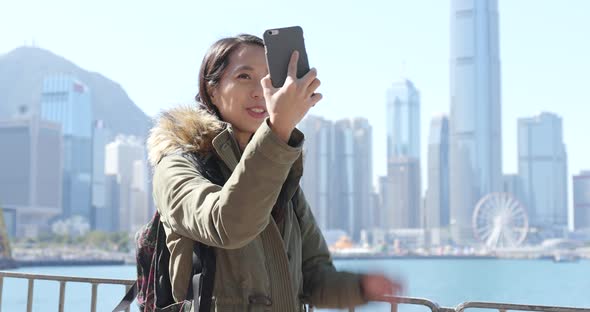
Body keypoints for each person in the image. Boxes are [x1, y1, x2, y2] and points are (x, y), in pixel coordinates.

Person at [147, 33, 402, 311]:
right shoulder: (177, 165)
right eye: (244, 76)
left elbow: (314, 276)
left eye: (271, 79)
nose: (261, 91)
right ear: (212, 90)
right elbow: (227, 224)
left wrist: (362, 287)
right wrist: (279, 129)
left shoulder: (279, 174)